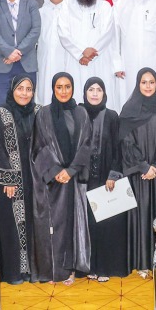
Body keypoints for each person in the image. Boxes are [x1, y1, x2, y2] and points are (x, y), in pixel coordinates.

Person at [31, 73, 93, 284]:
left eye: (67, 86)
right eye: (59, 87)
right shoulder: (44, 114)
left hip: (74, 180)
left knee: (73, 226)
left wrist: (71, 170)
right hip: (54, 182)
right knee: (54, 226)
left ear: (73, 88)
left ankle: (71, 271)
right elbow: (39, 146)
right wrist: (57, 170)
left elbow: (86, 144)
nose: (64, 91)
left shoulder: (81, 113)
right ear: (53, 89)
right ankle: (55, 271)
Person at [118, 68, 156, 277]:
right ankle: (142, 262)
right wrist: (144, 166)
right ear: (138, 84)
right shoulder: (129, 108)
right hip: (139, 175)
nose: (148, 86)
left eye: (152, 82)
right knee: (141, 216)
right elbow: (125, 141)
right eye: (144, 82)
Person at [0, 74, 39, 284]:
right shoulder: (1, 114)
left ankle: (34, 270)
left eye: (28, 89)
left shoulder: (38, 112)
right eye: (20, 89)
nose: (25, 93)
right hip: (12, 183)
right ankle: (14, 272)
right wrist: (8, 179)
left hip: (35, 181)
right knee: (13, 226)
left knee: (35, 225)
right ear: (12, 90)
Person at [80, 78, 130, 281]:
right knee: (89, 225)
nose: (94, 93)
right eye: (90, 89)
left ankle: (106, 269)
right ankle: (91, 267)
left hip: (106, 179)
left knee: (107, 225)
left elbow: (119, 148)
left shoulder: (111, 116)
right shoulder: (79, 114)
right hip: (85, 179)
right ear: (84, 93)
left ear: (104, 93)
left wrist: (114, 174)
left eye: (98, 89)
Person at [58, 0, 117, 101]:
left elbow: (108, 33)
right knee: (77, 96)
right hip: (75, 60)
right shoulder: (66, 5)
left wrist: (90, 55)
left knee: (100, 98)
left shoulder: (105, 6)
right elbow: (63, 33)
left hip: (100, 61)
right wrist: (80, 53)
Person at [0, 0, 41, 106]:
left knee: (26, 106)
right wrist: (8, 52)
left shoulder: (31, 4)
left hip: (26, 62)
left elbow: (35, 30)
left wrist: (17, 52)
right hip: (0, 63)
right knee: (1, 107)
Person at [36, 0, 73, 105]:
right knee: (45, 91)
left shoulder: (73, 13)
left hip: (66, 60)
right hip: (44, 61)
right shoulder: (39, 13)